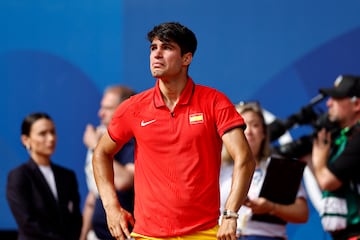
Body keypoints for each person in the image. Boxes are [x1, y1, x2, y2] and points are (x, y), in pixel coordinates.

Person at [92, 21, 256, 240]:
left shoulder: (214, 102)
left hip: (203, 232)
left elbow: (244, 157)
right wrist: (111, 207)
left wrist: (230, 214)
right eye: (153, 48)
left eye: (166, 48)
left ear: (186, 58)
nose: (156, 54)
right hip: (147, 234)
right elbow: (101, 153)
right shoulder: (133, 108)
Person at [220, 102, 309, 240]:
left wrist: (271, 207)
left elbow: (302, 213)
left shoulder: (280, 166)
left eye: (255, 125)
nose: (249, 131)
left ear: (263, 133)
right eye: (242, 126)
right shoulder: (219, 167)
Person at [6, 112, 82, 240]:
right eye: (43, 133)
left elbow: (75, 218)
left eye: (53, 132)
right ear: (26, 140)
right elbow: (27, 222)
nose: (51, 138)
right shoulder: (19, 176)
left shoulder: (67, 176)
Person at [80, 85, 136, 240]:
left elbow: (124, 181)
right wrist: (83, 235)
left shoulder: (134, 141)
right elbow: (94, 196)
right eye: (101, 107)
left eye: (108, 108)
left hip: (128, 234)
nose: (100, 113)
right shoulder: (103, 141)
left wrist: (96, 148)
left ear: (123, 110)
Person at [309, 75, 360, 239]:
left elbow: (328, 181)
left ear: (357, 104)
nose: (328, 103)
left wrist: (318, 160)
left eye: (336, 98)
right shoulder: (342, 138)